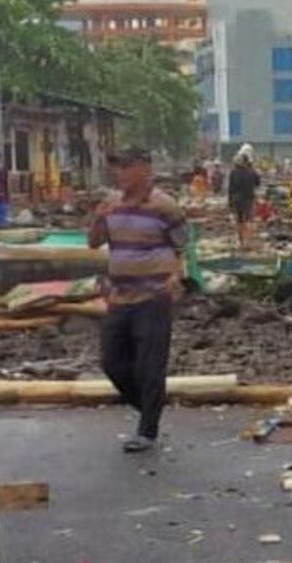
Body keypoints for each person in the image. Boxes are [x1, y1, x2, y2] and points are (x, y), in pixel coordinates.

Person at [88, 147, 188, 453]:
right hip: (119, 297)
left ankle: (147, 430)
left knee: (150, 364)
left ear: (145, 169)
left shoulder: (165, 206)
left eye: (126, 167)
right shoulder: (111, 205)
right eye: (117, 168)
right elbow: (93, 242)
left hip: (154, 296)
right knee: (112, 362)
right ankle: (148, 405)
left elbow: (183, 244)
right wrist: (98, 217)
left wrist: (176, 277)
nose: (120, 174)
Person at [228, 152, 260, 249]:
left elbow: (230, 189)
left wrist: (230, 202)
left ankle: (241, 241)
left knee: (240, 221)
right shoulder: (252, 172)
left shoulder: (233, 172)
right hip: (249, 199)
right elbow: (258, 183)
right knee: (249, 220)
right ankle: (248, 242)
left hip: (237, 200)